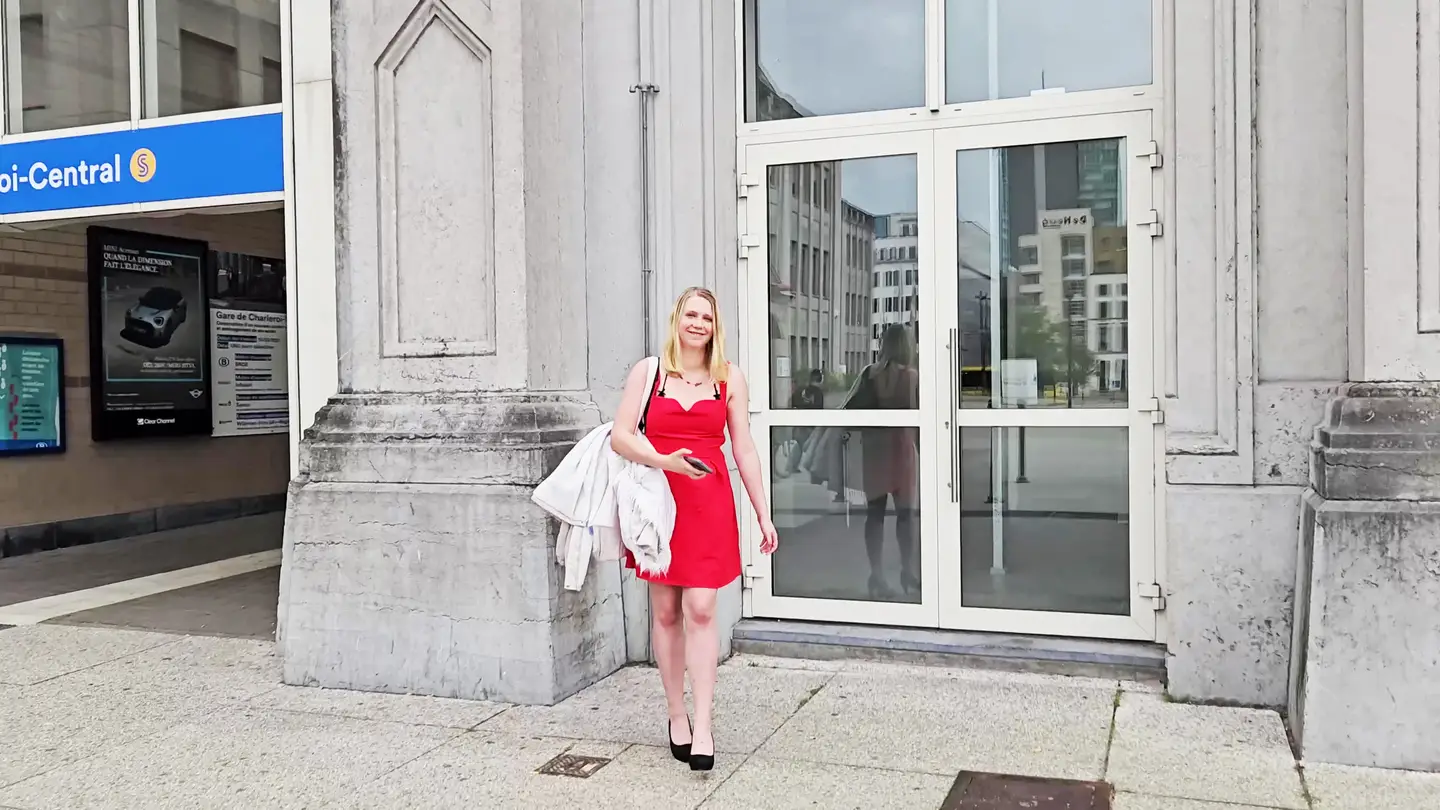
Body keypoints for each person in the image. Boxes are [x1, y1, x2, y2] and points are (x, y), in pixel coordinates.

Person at [610, 286, 779, 772]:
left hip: (707, 503)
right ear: (677, 319)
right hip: (658, 504)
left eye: (707, 316)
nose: (699, 323)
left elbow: (743, 448)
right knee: (665, 612)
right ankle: (676, 714)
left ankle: (703, 724)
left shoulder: (729, 378)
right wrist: (666, 460)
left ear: (715, 326)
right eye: (692, 313)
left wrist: (762, 513)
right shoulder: (649, 373)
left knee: (701, 608)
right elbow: (622, 436)